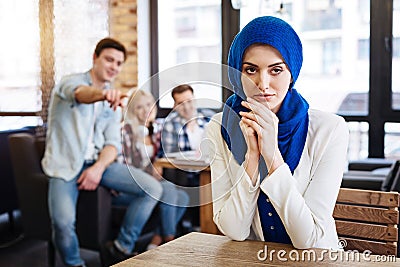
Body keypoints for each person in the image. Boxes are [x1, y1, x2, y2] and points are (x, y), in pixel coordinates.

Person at [204, 16, 349, 250]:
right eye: (250, 70)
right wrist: (252, 158)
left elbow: (308, 239)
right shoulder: (220, 127)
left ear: (292, 72)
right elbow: (234, 230)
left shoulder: (330, 130)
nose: (263, 83)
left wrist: (272, 157)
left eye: (276, 70)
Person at [41, 38, 163, 267]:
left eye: (118, 63)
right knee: (62, 222)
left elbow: (112, 144)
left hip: (98, 163)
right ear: (94, 58)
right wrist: (103, 95)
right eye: (109, 59)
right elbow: (79, 94)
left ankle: (120, 247)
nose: (114, 67)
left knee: (153, 188)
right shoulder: (71, 83)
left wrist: (98, 168)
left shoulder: (112, 100)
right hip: (64, 164)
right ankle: (74, 263)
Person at [120, 89, 189, 250]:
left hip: (154, 182)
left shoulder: (157, 127)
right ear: (131, 110)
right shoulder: (126, 130)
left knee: (183, 196)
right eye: (139, 107)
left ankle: (156, 241)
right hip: (133, 185)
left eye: (149, 105)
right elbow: (123, 168)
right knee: (171, 190)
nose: (146, 111)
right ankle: (168, 241)